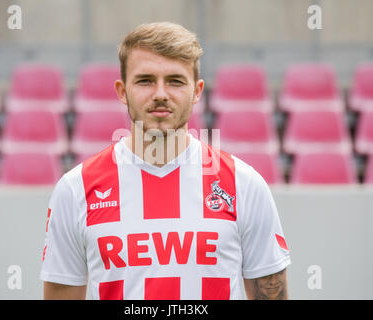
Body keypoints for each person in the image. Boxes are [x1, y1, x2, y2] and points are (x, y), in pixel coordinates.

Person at [40, 21, 291, 300]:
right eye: (145, 80)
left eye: (175, 81)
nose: (160, 93)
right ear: (122, 91)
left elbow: (271, 294)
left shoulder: (244, 184)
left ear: (197, 91)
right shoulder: (75, 189)